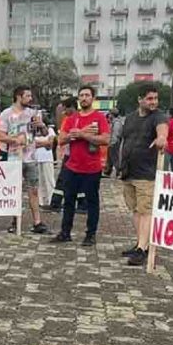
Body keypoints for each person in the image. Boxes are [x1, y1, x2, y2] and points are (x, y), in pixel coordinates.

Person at [51, 86, 110, 246]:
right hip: (72, 167)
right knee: (68, 200)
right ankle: (65, 232)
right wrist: (74, 134)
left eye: (87, 95)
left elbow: (105, 139)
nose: (84, 98)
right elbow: (61, 139)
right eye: (81, 95)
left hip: (92, 168)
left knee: (92, 202)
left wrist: (83, 134)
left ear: (93, 98)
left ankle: (90, 234)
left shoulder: (99, 118)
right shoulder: (71, 119)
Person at [119, 83, 168, 266]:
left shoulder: (159, 116)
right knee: (136, 210)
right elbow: (124, 140)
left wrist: (161, 139)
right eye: (149, 98)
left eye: (155, 98)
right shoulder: (130, 118)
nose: (153, 102)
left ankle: (142, 249)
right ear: (140, 100)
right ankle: (141, 243)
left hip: (146, 174)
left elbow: (162, 131)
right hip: (129, 171)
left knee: (146, 211)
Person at [0, 86, 49, 235]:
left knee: (33, 190)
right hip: (14, 158)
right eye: (27, 96)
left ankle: (37, 222)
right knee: (15, 191)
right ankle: (15, 220)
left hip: (31, 158)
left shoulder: (33, 113)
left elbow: (44, 133)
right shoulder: (6, 114)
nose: (30, 99)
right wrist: (15, 140)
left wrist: (41, 126)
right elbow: (0, 135)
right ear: (19, 97)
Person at [35, 123, 57, 208]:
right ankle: (41, 201)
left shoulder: (50, 130)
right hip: (36, 158)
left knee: (49, 179)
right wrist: (44, 143)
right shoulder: (33, 131)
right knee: (39, 181)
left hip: (47, 158)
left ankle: (52, 199)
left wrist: (39, 143)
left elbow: (50, 144)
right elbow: (31, 144)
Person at [102, 108, 123, 178]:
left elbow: (115, 134)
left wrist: (112, 143)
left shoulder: (116, 123)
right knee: (109, 158)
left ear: (112, 114)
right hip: (112, 143)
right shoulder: (114, 122)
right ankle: (107, 171)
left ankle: (119, 172)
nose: (109, 115)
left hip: (114, 143)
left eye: (110, 114)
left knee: (115, 158)